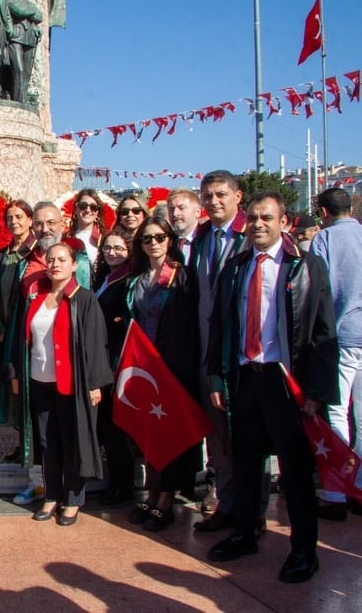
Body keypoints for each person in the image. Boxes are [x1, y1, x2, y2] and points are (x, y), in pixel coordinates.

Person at [207, 191, 338, 583]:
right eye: (253, 219)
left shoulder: (306, 267)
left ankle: (303, 550)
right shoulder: (236, 266)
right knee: (247, 464)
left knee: (295, 473)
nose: (258, 224)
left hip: (287, 383)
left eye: (267, 218)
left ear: (284, 222)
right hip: (246, 378)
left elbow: (322, 332)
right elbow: (220, 324)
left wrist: (315, 391)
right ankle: (245, 532)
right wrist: (216, 374)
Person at [13, 243, 111, 526]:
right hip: (39, 381)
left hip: (72, 384)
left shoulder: (84, 299)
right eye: (51, 259)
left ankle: (73, 499)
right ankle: (52, 495)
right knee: (47, 443)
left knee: (72, 442)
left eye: (62, 260)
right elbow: (24, 340)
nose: (55, 264)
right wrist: (17, 374)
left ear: (73, 265)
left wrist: (94, 384)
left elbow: (95, 343)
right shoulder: (35, 299)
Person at [189, 170, 253, 532]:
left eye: (221, 195)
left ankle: (250, 513)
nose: (214, 201)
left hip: (241, 354)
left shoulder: (249, 236)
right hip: (205, 351)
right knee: (217, 436)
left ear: (237, 196)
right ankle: (227, 504)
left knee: (246, 437)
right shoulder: (201, 239)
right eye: (208, 196)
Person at [126, 216, 199, 532]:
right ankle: (152, 490)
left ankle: (165, 498)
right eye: (146, 238)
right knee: (148, 436)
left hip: (171, 366)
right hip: (145, 367)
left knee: (169, 436)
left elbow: (187, 325)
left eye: (159, 237)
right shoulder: (138, 279)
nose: (153, 243)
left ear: (169, 240)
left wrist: (173, 363)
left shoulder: (181, 276)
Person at [309, 187, 362, 520]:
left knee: (336, 412)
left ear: (324, 211)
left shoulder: (323, 240)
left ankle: (335, 492)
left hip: (341, 336)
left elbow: (319, 289)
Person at [0, 199, 36, 492]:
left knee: (25, 388)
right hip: (4, 335)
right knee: (11, 390)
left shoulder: (35, 252)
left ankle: (31, 445)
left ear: (29, 219)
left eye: (19, 216)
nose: (14, 221)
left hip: (26, 334)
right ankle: (19, 443)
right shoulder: (3, 255)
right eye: (10, 217)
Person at [92, 229, 136, 505]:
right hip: (102, 357)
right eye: (107, 248)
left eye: (118, 248)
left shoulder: (129, 281)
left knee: (118, 428)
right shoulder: (105, 278)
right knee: (108, 427)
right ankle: (116, 482)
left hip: (118, 359)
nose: (112, 253)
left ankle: (124, 485)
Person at [3, 0, 42, 103]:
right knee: (18, 69)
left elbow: (39, 16)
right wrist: (29, 12)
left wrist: (28, 12)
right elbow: (18, 11)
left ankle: (23, 97)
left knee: (26, 71)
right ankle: (19, 101)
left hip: (29, 38)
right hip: (16, 37)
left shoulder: (28, 3)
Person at [67, 189, 107, 267]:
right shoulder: (65, 238)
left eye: (93, 207)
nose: (88, 210)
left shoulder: (105, 238)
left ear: (97, 213)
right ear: (75, 209)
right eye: (83, 206)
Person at [166, 188, 200, 265]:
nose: (175, 213)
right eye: (171, 209)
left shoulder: (206, 240)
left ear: (197, 212)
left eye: (181, 208)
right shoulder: (166, 242)